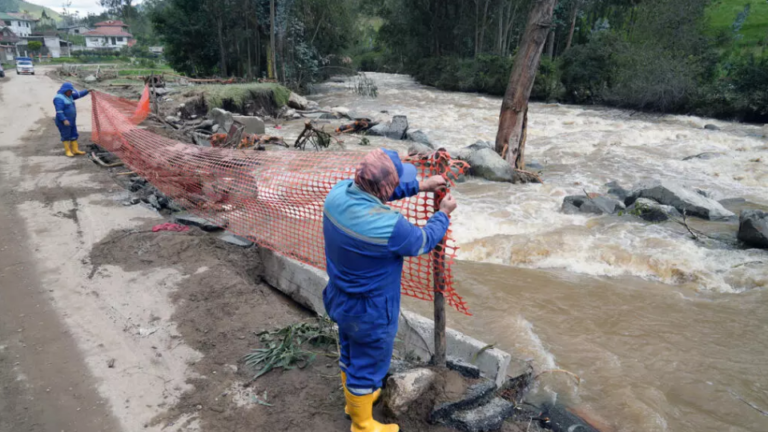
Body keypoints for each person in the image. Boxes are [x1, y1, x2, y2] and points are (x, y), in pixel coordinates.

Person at [323, 148, 458, 432]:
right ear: (385, 188)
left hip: (339, 298)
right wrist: (443, 214)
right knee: (368, 365)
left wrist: (421, 185)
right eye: (397, 182)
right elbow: (423, 240)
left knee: (350, 352)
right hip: (370, 311)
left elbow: (375, 195)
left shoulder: (337, 195)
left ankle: (354, 401)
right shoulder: (390, 227)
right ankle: (362, 424)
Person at [53, 82, 90, 158]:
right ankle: (68, 151)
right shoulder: (59, 98)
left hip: (72, 120)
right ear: (65, 90)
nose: (71, 92)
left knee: (74, 134)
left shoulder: (70, 96)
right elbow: (59, 111)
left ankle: (75, 150)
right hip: (64, 121)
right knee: (66, 134)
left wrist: (88, 91)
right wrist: (64, 119)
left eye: (71, 91)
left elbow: (79, 94)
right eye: (69, 91)